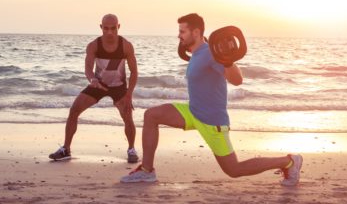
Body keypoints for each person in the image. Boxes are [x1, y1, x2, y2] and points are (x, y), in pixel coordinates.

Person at [121, 13, 302, 185]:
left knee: (234, 169)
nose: (179, 36)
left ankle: (289, 162)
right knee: (152, 115)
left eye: (182, 31)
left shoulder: (211, 53)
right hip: (193, 112)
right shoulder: (197, 53)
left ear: (196, 32)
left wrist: (228, 61)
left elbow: (237, 80)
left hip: (211, 122)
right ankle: (147, 170)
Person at [49, 14, 139, 163]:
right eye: (106, 28)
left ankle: (131, 149)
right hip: (98, 85)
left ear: (118, 27)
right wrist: (92, 79)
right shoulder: (94, 45)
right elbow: (88, 68)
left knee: (128, 117)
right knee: (74, 110)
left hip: (119, 87)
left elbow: (134, 72)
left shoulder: (126, 45)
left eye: (113, 28)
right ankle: (66, 149)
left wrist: (129, 94)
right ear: (101, 27)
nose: (109, 32)